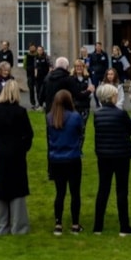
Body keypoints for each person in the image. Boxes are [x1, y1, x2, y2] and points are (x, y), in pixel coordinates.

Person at [0, 80, 34, 235]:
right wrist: (23, 148)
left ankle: (0, 226)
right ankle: (18, 227)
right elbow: (29, 134)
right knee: (17, 190)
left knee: (0, 189)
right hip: (16, 155)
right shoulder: (20, 112)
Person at [92, 83, 131, 236]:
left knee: (103, 189)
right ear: (111, 97)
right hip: (121, 155)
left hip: (104, 155)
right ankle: (124, 226)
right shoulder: (120, 114)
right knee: (121, 190)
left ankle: (98, 226)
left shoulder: (97, 114)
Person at [46, 89, 85, 235]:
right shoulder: (75, 117)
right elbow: (80, 132)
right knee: (75, 192)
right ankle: (75, 224)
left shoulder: (50, 117)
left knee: (60, 192)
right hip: (72, 157)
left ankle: (58, 223)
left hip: (57, 158)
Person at [69, 59, 95, 129]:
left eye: (81, 66)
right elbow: (74, 94)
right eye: (77, 66)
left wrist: (84, 93)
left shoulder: (87, 79)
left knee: (82, 127)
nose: (79, 68)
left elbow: (91, 93)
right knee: (74, 127)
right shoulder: (71, 79)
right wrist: (85, 92)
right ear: (74, 67)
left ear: (83, 67)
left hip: (85, 107)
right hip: (74, 107)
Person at [32, 45, 52, 111]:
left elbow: (50, 66)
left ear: (43, 50)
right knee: (38, 90)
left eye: (41, 50)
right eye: (38, 50)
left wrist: (49, 75)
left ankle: (47, 104)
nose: (39, 51)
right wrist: (35, 75)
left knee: (45, 90)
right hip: (38, 77)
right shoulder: (36, 57)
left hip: (45, 76)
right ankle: (40, 104)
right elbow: (35, 67)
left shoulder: (46, 57)